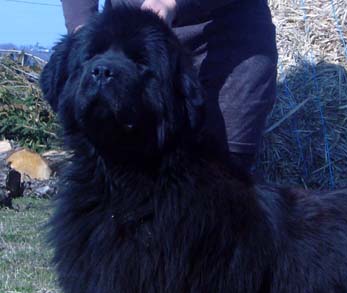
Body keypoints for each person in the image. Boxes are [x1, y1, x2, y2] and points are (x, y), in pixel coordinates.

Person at [60, 0, 278, 179]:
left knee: (225, 182)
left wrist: (171, 2)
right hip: (124, 44)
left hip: (229, 42)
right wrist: (83, 29)